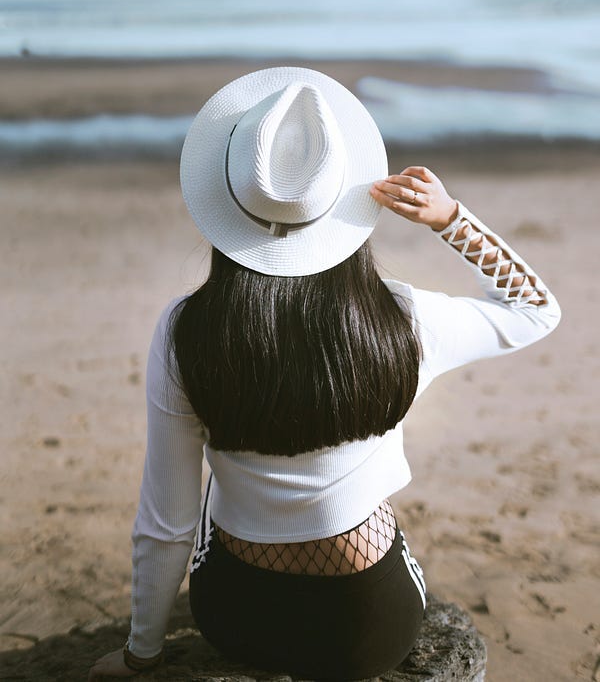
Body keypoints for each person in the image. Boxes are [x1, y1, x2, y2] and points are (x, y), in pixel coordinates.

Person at [88, 66, 561, 680]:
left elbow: (164, 522)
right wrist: (451, 220)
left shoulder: (186, 331)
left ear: (229, 200)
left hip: (237, 621)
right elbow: (535, 310)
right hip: (371, 629)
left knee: (203, 495)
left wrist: (140, 656)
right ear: (342, 204)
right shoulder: (404, 319)